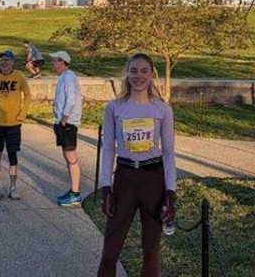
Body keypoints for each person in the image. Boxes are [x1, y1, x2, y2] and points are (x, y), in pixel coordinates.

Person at [97, 53, 177, 277]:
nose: (138, 76)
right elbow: (109, 149)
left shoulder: (162, 110)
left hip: (153, 179)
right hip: (125, 179)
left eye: (144, 71)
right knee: (110, 251)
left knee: (151, 251)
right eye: (134, 71)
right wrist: (105, 188)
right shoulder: (114, 108)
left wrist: (171, 192)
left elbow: (169, 152)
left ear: (151, 74)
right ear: (127, 73)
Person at [0, 50, 31, 201]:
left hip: (13, 124)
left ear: (13, 62)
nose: (4, 62)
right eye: (2, 60)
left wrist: (22, 115)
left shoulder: (19, 76)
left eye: (8, 60)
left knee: (12, 155)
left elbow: (27, 95)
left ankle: (13, 188)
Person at [50, 50, 83, 207]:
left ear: (63, 62)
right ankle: (73, 190)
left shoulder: (69, 77)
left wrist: (64, 119)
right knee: (67, 156)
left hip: (68, 123)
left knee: (71, 157)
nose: (52, 64)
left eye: (55, 61)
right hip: (63, 122)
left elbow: (71, 99)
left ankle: (75, 193)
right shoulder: (64, 77)